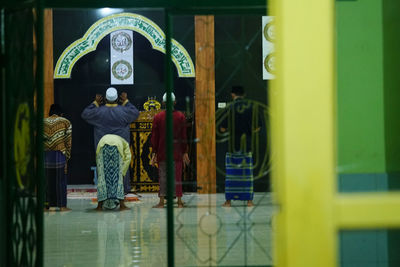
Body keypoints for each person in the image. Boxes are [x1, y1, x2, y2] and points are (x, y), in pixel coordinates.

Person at [81, 87, 139, 195]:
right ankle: (123, 189)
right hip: (120, 146)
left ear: (105, 99)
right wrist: (126, 101)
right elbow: (135, 113)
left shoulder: (98, 112)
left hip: (103, 146)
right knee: (122, 166)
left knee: (103, 167)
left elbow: (85, 114)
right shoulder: (124, 111)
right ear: (117, 99)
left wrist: (95, 103)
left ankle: (104, 191)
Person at [220, 86, 260, 207]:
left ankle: (228, 201)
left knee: (231, 175)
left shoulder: (229, 108)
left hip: (233, 145)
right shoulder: (252, 107)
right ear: (244, 94)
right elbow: (258, 127)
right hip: (246, 145)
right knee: (247, 174)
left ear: (233, 95)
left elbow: (222, 128)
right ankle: (249, 201)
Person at [150, 92, 190, 208]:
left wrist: (154, 153)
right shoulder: (180, 116)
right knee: (177, 176)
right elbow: (183, 136)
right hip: (177, 152)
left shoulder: (158, 117)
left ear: (162, 103)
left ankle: (162, 202)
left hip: (162, 152)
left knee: (162, 176)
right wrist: (185, 151)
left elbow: (155, 137)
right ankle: (179, 202)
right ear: (175, 102)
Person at [43, 104, 72, 211]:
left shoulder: (43, 121)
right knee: (61, 181)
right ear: (61, 113)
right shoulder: (65, 122)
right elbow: (68, 141)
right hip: (60, 155)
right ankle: (62, 206)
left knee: (45, 182)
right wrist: (67, 157)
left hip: (45, 155)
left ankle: (45, 206)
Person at [95, 134, 131, 210]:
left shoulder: (118, 139)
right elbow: (128, 158)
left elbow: (99, 164)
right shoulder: (126, 144)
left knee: (102, 178)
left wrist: (100, 170)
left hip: (102, 146)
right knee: (118, 179)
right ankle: (122, 205)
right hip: (116, 148)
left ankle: (99, 206)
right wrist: (122, 173)